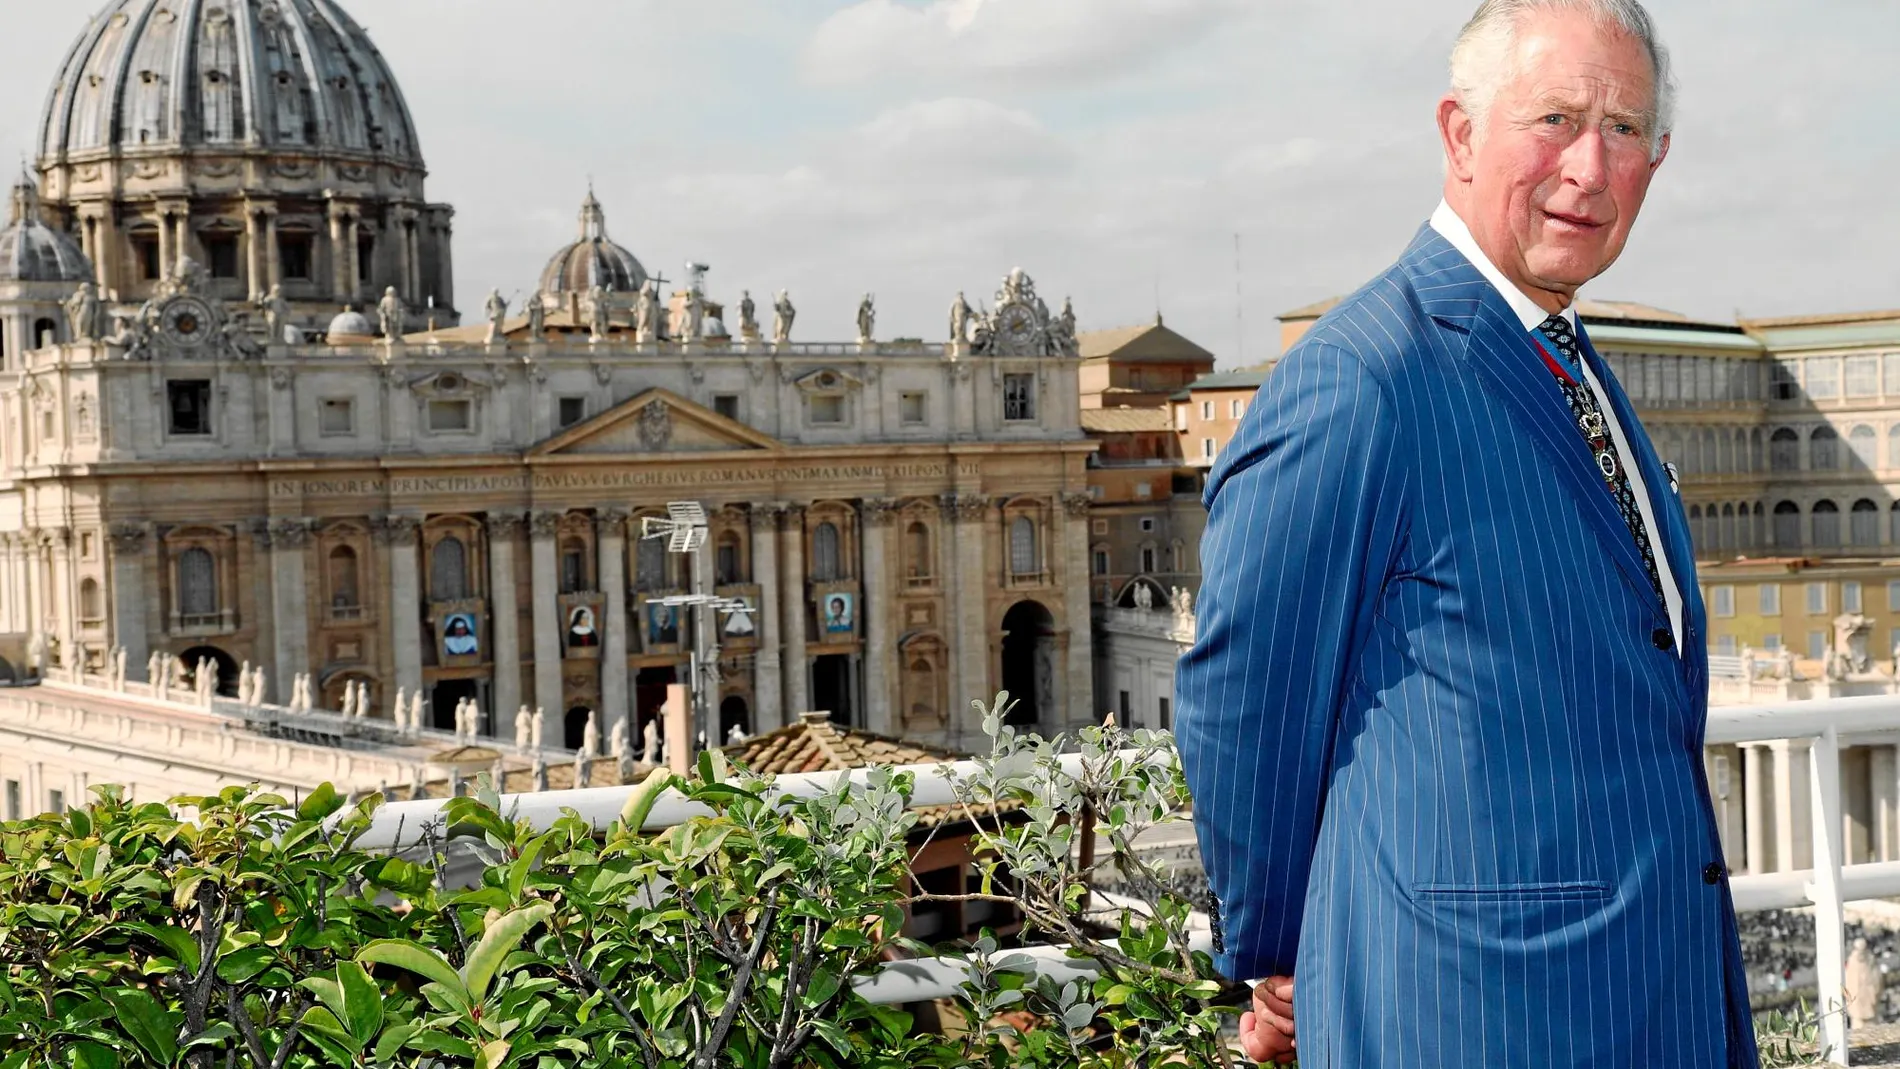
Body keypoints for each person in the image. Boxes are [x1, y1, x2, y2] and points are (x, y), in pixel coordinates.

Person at [1176, 2, 1758, 1066]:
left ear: (1657, 158)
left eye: (1624, 129)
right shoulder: (1363, 379)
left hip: (1644, 997)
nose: (1589, 166)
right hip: (1470, 1012)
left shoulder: (1566, 356)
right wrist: (1279, 951)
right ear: (1457, 134)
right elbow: (1244, 697)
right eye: (1555, 118)